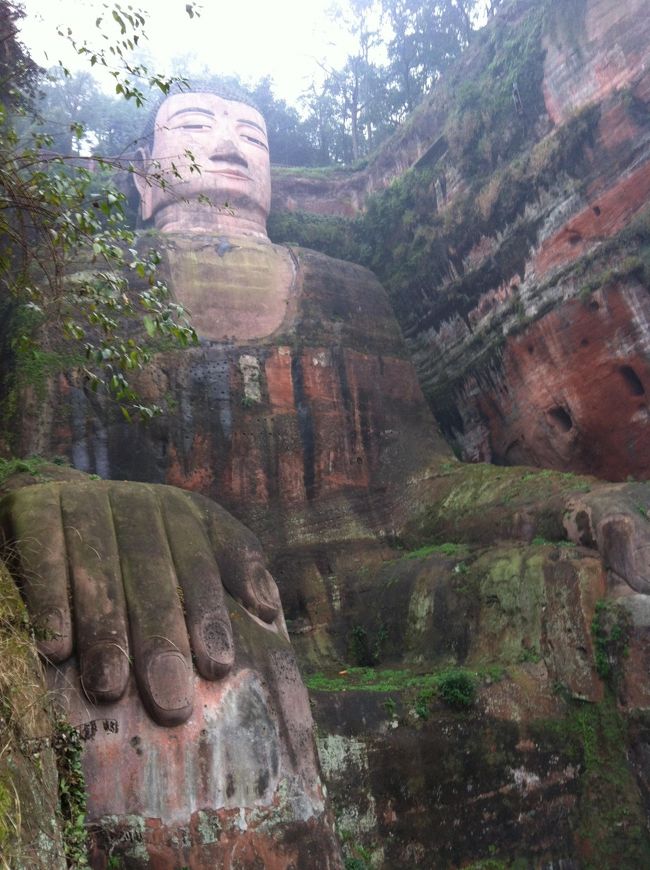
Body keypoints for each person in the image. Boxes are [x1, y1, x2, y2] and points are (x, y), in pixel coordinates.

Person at [5, 86, 650, 865]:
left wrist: (570, 504)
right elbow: (37, 471)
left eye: (254, 135)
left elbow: (422, 489)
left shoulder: (351, 289)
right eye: (195, 126)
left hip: (369, 576)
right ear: (143, 179)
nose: (231, 144)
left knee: (581, 589)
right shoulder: (83, 282)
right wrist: (97, 515)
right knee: (161, 666)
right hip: (201, 594)